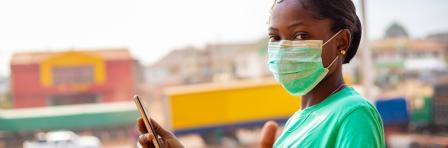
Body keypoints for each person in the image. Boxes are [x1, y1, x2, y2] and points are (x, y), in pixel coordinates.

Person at [137, 0, 385, 147]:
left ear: (340, 42)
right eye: (275, 37)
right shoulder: (298, 121)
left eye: (300, 35)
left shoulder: (353, 113)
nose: (283, 48)